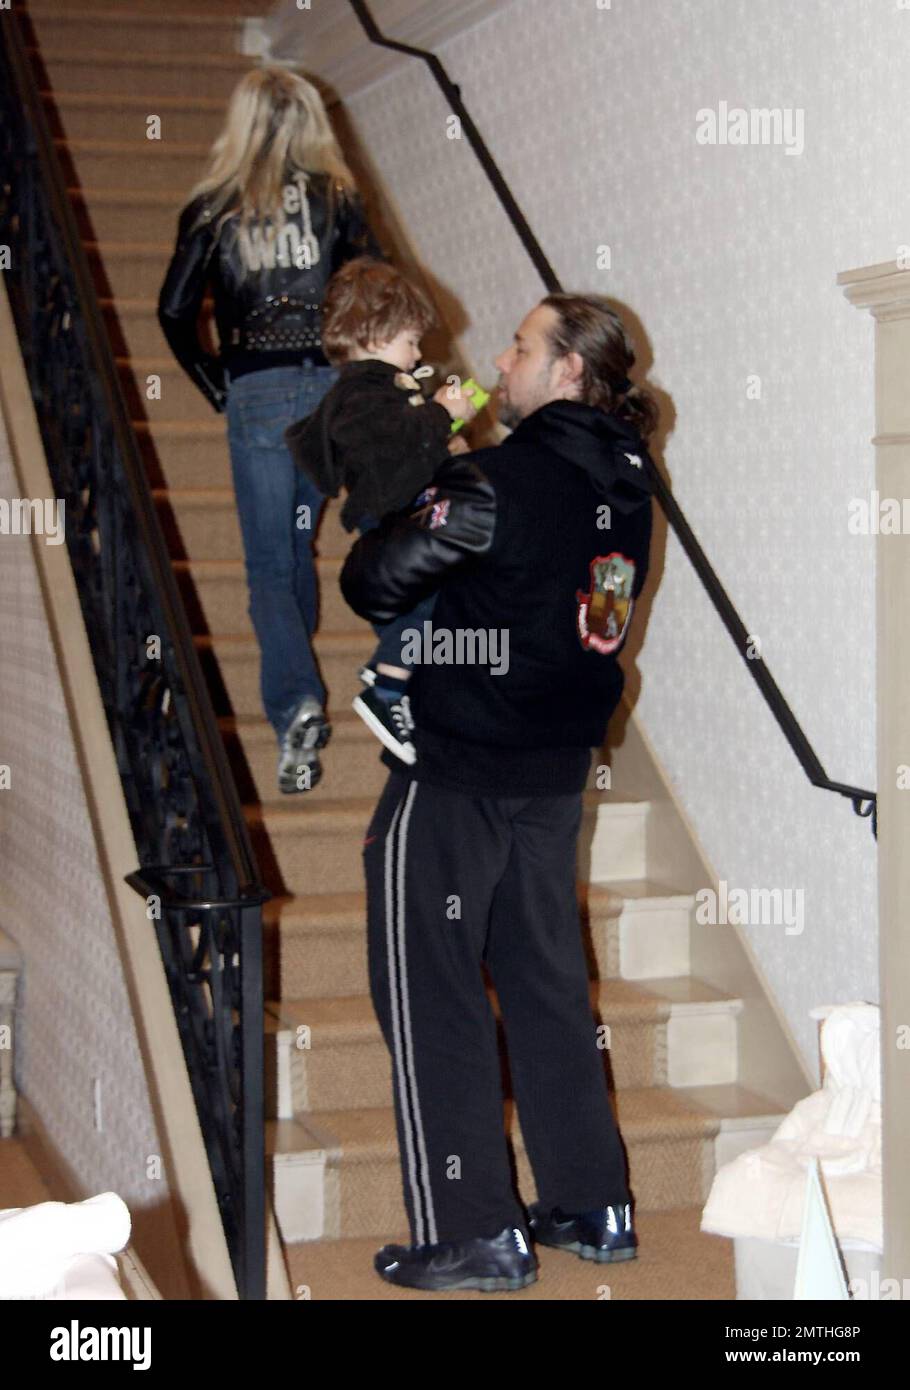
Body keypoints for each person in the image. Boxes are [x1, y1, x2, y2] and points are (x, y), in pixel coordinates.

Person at [340, 293, 658, 1292]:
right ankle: (588, 1200)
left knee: (432, 986)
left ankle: (472, 1226)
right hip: (556, 768)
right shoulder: (631, 490)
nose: (501, 360)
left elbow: (371, 584)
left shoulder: (492, 479)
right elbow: (593, 627)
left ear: (566, 371)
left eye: (521, 346)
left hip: (458, 770)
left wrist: (404, 486)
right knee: (545, 980)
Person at [157, 67, 382, 794]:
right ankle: (320, 697)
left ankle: (295, 704)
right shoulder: (338, 199)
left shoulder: (213, 206)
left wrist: (214, 380)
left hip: (256, 391)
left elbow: (171, 310)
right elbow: (377, 288)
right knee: (294, 545)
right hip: (327, 388)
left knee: (267, 566)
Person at [285, 257, 479, 765]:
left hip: (400, 520)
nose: (417, 355)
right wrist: (440, 415)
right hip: (395, 521)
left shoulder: (374, 391)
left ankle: (397, 678)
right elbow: (390, 446)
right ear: (374, 334)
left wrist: (439, 420)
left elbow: (404, 446)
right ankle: (387, 683)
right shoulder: (362, 392)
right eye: (411, 342)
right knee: (429, 605)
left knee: (433, 608)